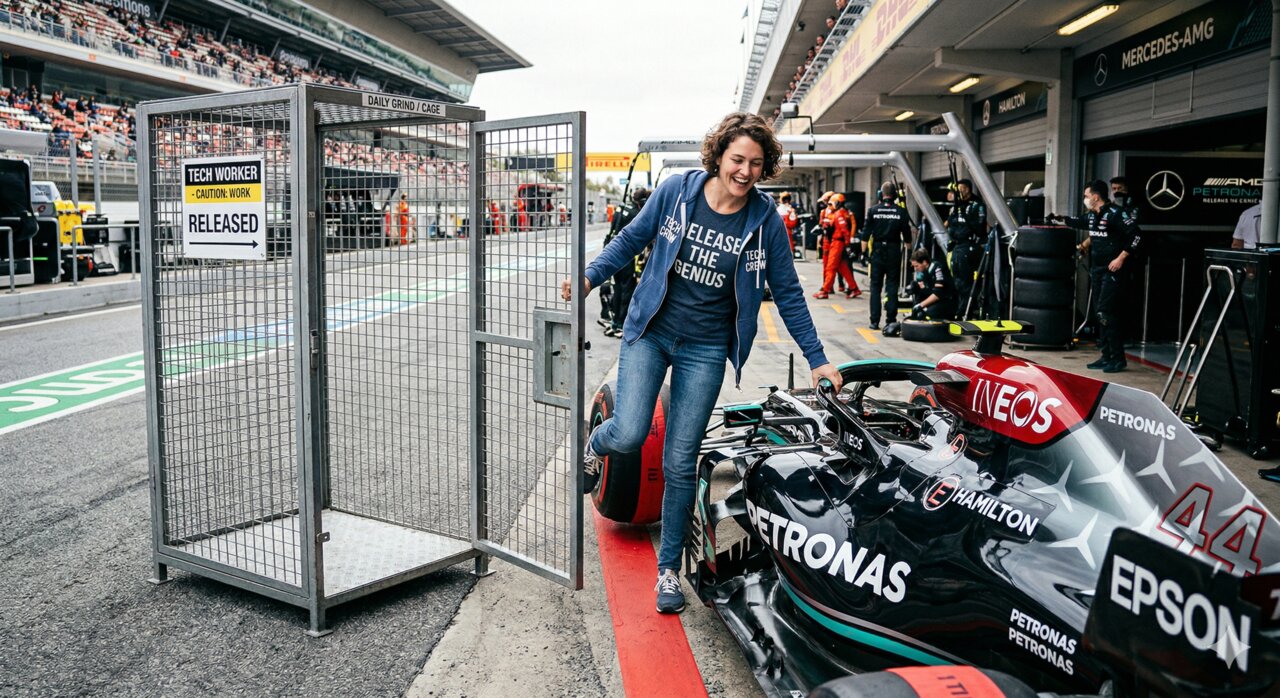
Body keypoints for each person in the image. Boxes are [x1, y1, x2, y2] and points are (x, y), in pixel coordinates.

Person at [561, 112, 841, 614]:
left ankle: (667, 571)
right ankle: (594, 444)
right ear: (719, 156)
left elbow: (791, 295)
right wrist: (589, 278)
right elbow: (629, 240)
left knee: (679, 462)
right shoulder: (676, 193)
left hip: (707, 349)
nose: (745, 171)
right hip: (651, 332)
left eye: (756, 163)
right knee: (627, 434)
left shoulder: (765, 222)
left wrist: (818, 360)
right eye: (738, 159)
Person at [1052, 180, 1141, 373]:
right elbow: (1077, 221)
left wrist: (1121, 258)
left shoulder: (1116, 214)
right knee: (1099, 314)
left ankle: (1118, 358)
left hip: (1114, 270)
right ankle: (1106, 355)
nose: (1084, 199)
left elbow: (1136, 235)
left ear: (1095, 196)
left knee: (1106, 313)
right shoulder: (1092, 216)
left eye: (1086, 196)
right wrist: (1058, 219)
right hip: (1098, 269)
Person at [862, 182, 914, 329]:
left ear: (880, 195)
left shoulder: (873, 210)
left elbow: (865, 235)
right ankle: (891, 320)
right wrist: (909, 255)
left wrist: (863, 253)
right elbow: (908, 237)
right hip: (893, 251)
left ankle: (874, 321)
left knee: (875, 287)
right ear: (895, 196)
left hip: (878, 250)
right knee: (892, 286)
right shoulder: (901, 212)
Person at [604, 187, 652, 338]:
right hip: (627, 257)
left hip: (612, 251)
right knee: (627, 290)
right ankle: (621, 324)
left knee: (617, 288)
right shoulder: (636, 214)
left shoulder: (620, 207)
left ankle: (615, 321)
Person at [946, 179, 986, 319]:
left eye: (961, 189)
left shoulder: (977, 205)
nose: (959, 192)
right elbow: (950, 224)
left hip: (970, 247)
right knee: (956, 281)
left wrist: (965, 214)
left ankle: (965, 312)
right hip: (957, 247)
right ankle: (960, 309)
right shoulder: (956, 206)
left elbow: (980, 229)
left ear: (967, 189)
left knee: (965, 282)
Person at [814, 193, 858, 299]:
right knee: (842, 267)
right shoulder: (840, 213)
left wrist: (847, 245)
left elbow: (845, 231)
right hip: (835, 242)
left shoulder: (839, 214)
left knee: (831, 267)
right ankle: (854, 288)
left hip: (837, 243)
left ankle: (825, 290)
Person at [908, 249, 955, 320]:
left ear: (924, 262)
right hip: (936, 300)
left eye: (916, 266)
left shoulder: (937, 268)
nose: (915, 269)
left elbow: (938, 294)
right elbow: (926, 291)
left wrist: (921, 305)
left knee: (925, 313)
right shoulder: (923, 272)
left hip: (946, 300)